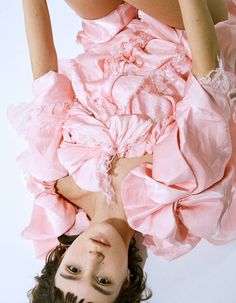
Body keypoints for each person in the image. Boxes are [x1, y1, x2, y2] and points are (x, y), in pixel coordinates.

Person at [9, 0, 236, 302]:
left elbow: (46, 76)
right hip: (195, 34)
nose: (93, 257)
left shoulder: (57, 184)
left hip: (113, 32)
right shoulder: (173, 201)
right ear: (126, 281)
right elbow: (208, 78)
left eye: (73, 269)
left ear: (59, 260)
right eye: (103, 280)